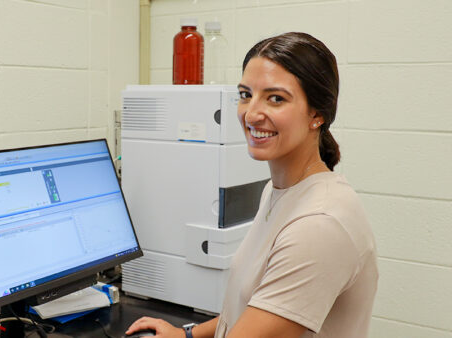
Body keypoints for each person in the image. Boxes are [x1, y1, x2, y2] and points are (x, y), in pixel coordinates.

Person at [125, 32, 378, 338]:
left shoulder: (319, 225)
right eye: (246, 94)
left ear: (317, 114)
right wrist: (187, 334)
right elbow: (252, 309)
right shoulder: (280, 190)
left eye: (276, 98)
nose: (252, 114)